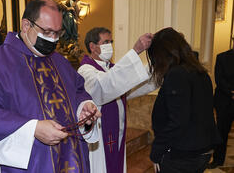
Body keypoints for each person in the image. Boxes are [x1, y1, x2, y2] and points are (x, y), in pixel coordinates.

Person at [0, 0, 101, 173]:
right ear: (26, 25)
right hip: (25, 164)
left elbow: (78, 91)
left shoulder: (61, 63)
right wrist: (32, 129)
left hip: (68, 157)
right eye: (48, 31)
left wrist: (84, 108)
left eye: (57, 33)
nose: (53, 39)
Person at [77, 27, 157, 173]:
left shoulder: (110, 69)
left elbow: (129, 86)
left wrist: (157, 65)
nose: (110, 45)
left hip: (117, 133)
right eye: (105, 42)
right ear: (92, 46)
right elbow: (104, 86)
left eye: (111, 41)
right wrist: (136, 50)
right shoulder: (85, 70)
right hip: (99, 137)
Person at [147, 27, 221, 173]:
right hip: (201, 149)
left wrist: (156, 151)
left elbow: (178, 121)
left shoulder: (177, 75)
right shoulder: (200, 72)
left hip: (182, 155)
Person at [207, 39, 234, 169]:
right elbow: (219, 78)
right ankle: (218, 160)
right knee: (221, 131)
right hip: (224, 101)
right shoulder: (222, 57)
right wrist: (231, 91)